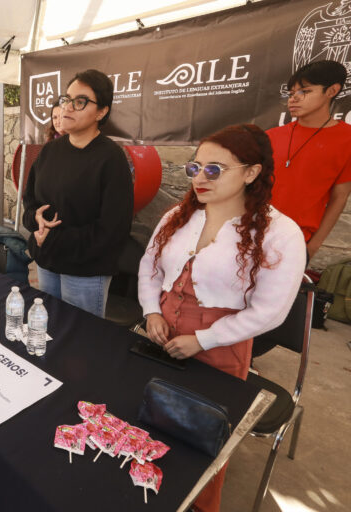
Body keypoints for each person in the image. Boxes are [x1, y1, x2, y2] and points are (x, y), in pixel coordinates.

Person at [137, 124, 306, 512]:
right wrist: (150, 311)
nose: (200, 178)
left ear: (251, 172)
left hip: (220, 352)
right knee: (148, 419)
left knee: (202, 440)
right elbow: (150, 266)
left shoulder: (281, 233)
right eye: (195, 168)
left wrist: (203, 339)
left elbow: (270, 311)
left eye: (215, 169)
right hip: (158, 338)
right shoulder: (179, 216)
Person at [22, 69, 133, 318]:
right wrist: (35, 220)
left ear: (102, 112)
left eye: (80, 102)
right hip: (47, 263)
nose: (68, 108)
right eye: (66, 99)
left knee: (79, 344)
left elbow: (113, 230)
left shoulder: (110, 158)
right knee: (49, 331)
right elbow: (30, 202)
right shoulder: (50, 151)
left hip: (85, 271)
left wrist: (51, 240)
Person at [267, 60, 351, 261]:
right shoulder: (270, 136)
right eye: (290, 93)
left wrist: (312, 247)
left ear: (331, 91)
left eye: (304, 91)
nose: (293, 99)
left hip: (295, 241)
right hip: (248, 233)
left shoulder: (347, 139)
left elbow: (340, 197)